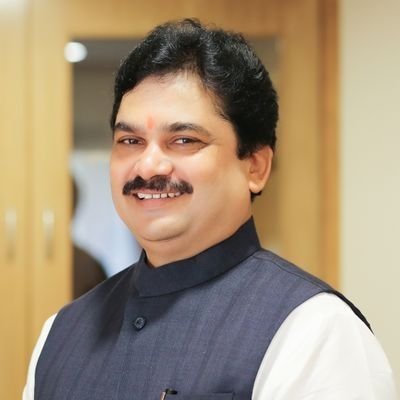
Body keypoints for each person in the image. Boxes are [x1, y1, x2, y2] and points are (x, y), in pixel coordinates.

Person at [24, 19, 397, 400]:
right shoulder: (60, 335)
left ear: (255, 167)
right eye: (130, 140)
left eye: (184, 140)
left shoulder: (315, 332)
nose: (148, 166)